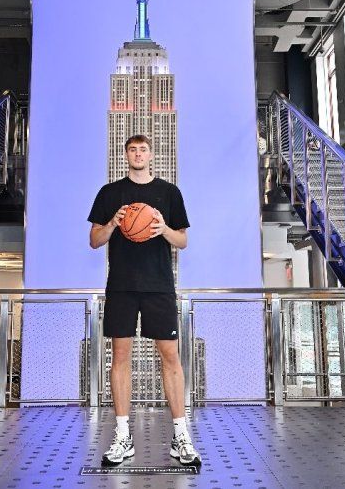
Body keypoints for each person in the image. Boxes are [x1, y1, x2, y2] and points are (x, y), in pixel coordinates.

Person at [88, 134, 201, 467]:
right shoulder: (110, 193)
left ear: (151, 155)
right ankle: (123, 436)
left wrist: (162, 228)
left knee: (171, 357)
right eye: (132, 150)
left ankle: (181, 437)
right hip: (122, 286)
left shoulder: (169, 193)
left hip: (159, 285)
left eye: (143, 150)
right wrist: (113, 222)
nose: (138, 154)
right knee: (120, 357)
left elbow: (182, 241)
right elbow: (94, 240)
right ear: (126, 155)